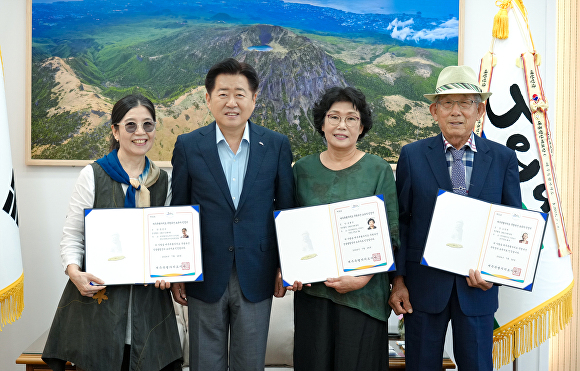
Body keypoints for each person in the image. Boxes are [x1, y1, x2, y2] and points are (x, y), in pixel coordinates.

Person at [388, 65, 522, 370]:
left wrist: (496, 273)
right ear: (434, 111)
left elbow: (513, 223)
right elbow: (402, 223)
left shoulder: (503, 159)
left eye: (466, 103)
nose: (456, 112)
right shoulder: (412, 155)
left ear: (480, 110)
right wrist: (397, 281)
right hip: (423, 289)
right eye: (448, 103)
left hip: (478, 289)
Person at [169, 58, 294, 371]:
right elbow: (179, 212)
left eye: (240, 93)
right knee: (204, 363)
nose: (231, 102)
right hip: (204, 272)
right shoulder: (187, 146)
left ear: (254, 99)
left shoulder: (276, 145)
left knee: (250, 363)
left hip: (258, 270)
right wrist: (177, 272)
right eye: (222, 93)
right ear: (208, 99)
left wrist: (285, 265)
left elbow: (286, 210)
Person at [42, 94, 183, 371]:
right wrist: (74, 273)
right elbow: (73, 236)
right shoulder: (92, 175)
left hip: (149, 305)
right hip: (98, 304)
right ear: (115, 131)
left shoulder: (164, 180)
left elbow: (165, 239)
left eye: (148, 125)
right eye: (130, 125)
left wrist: (171, 272)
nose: (140, 133)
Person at [288, 87, 399, 371]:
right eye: (334, 117)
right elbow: (290, 231)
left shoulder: (378, 170)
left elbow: (391, 234)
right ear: (322, 123)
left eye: (351, 118)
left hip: (363, 297)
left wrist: (362, 278)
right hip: (314, 295)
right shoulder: (301, 170)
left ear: (361, 127)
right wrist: (290, 269)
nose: (341, 125)